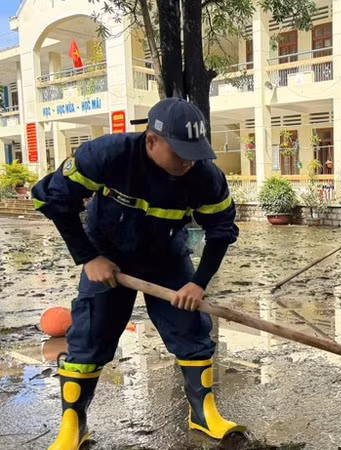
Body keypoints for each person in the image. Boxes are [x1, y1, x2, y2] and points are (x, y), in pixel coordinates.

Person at [32, 98, 244, 449]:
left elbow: (221, 229)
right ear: (151, 141)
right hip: (107, 258)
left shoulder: (205, 176)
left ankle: (203, 412)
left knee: (190, 331)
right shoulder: (107, 154)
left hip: (167, 257)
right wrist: (88, 257)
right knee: (89, 336)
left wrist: (198, 283)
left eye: (194, 153)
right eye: (179, 153)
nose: (187, 162)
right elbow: (54, 200)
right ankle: (73, 424)